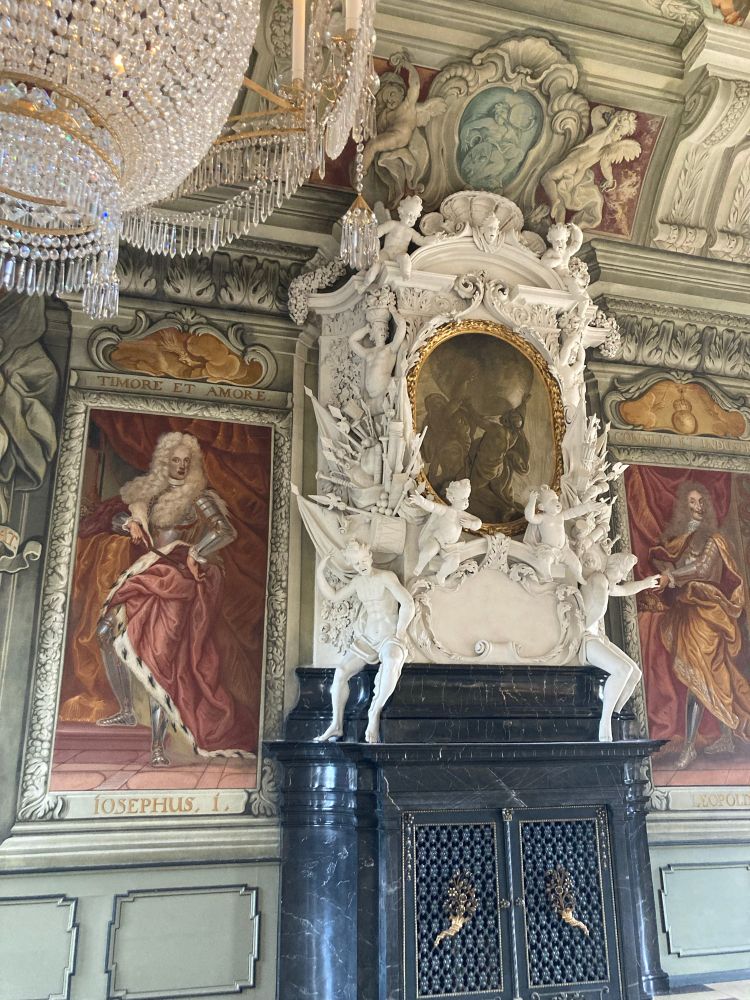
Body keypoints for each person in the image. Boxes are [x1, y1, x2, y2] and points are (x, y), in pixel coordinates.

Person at [95, 432, 253, 766]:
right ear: (164, 461)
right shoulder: (147, 495)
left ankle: (157, 745)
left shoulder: (200, 496)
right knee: (105, 632)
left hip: (179, 582)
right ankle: (125, 710)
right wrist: (129, 524)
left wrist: (196, 551)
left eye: (186, 462)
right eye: (175, 460)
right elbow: (111, 517)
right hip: (148, 573)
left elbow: (225, 531)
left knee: (159, 660)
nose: (180, 467)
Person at [650, 482, 750, 768]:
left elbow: (703, 569)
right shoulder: (678, 539)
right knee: (697, 676)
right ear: (684, 506)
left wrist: (673, 576)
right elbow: (663, 560)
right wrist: (666, 571)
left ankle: (698, 743)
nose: (698, 506)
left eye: (702, 501)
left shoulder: (715, 539)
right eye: (692, 502)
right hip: (686, 613)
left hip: (709, 612)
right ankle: (713, 739)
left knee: (710, 675)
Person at [315, 541, 415, 744]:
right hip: (368, 638)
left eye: (363, 560)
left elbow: (407, 603)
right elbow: (334, 596)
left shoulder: (386, 577)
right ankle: (336, 725)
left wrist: (401, 632)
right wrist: (320, 571)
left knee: (393, 658)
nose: (361, 565)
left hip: (389, 637)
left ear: (370, 557)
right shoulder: (358, 583)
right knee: (341, 671)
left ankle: (374, 712)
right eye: (356, 564)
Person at [580, 551, 661, 741]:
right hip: (586, 638)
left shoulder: (606, 582)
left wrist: (645, 584)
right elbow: (599, 605)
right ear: (614, 567)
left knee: (635, 674)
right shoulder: (599, 579)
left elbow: (624, 590)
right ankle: (605, 720)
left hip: (598, 638)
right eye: (623, 572)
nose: (624, 577)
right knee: (623, 670)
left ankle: (614, 715)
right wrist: (586, 625)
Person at [410, 479, 483, 585]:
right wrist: (422, 502)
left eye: (467, 498)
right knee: (427, 552)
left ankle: (440, 575)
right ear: (453, 498)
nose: (466, 501)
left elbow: (478, 522)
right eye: (463, 499)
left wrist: (471, 525)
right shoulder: (446, 510)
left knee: (454, 563)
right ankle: (420, 565)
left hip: (452, 547)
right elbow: (433, 507)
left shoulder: (463, 515)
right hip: (438, 540)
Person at [348, 299, 407, 416]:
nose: (384, 331)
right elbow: (352, 341)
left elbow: (401, 326)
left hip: (384, 394)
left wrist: (393, 312)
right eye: (379, 328)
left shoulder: (390, 348)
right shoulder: (368, 353)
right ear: (372, 333)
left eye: (385, 329)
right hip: (371, 398)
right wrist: (365, 329)